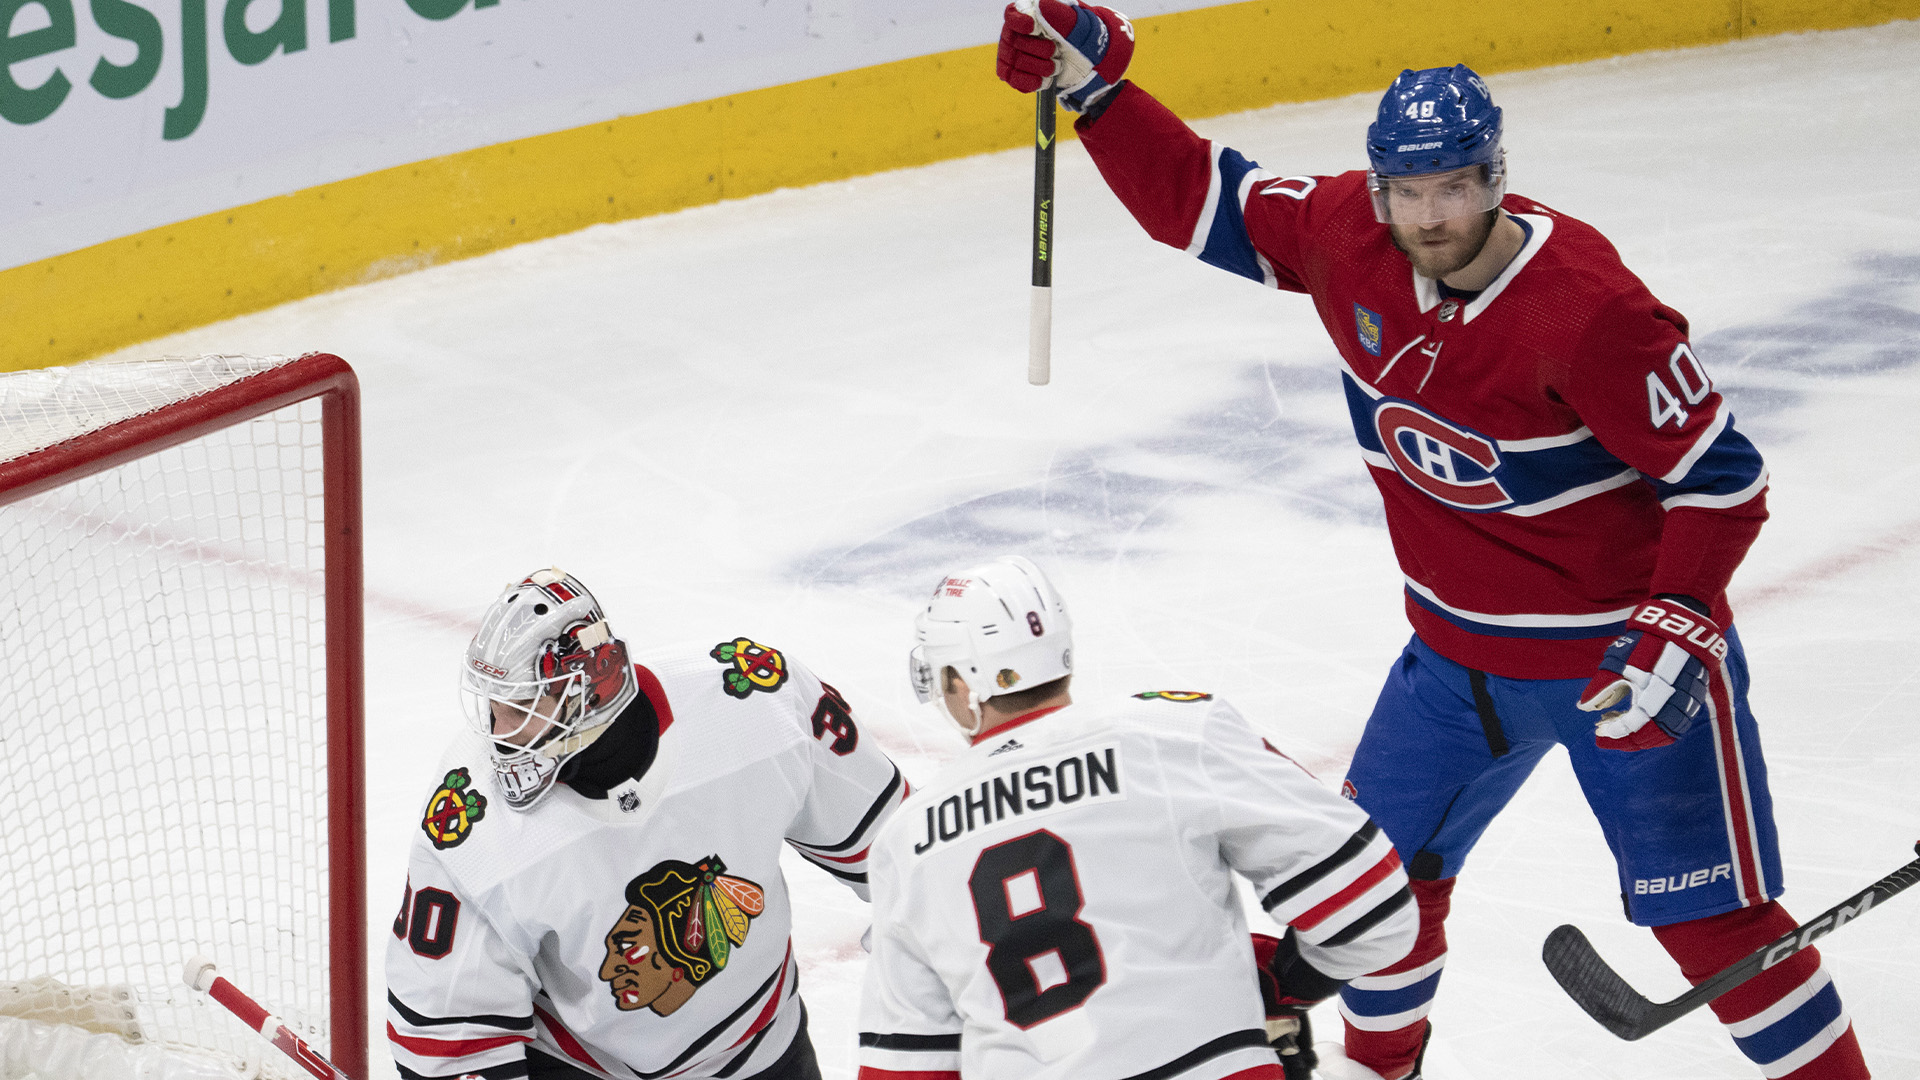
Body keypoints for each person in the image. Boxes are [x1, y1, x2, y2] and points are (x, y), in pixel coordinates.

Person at [993, 6, 1872, 1080]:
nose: (1432, 214)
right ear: (1377, 190)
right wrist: (1098, 95)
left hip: (1617, 666)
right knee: (1369, 888)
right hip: (1451, 665)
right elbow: (1202, 198)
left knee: (1716, 928)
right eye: (1409, 192)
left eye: (1454, 187)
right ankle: (1380, 1070)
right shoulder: (1344, 236)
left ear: (1495, 177)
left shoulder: (1590, 312)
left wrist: (1678, 620)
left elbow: (1722, 479)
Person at [855, 556, 1417, 1080]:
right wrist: (1283, 979)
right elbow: (1374, 914)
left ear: (959, 681)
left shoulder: (906, 838)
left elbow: (903, 1068)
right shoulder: (1173, 731)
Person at [386, 568, 908, 1080]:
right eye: (495, 708)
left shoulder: (755, 697)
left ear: (589, 692)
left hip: (762, 1045)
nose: (499, 734)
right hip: (583, 1064)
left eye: (521, 707)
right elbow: (450, 1039)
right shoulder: (469, 816)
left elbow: (909, 857)